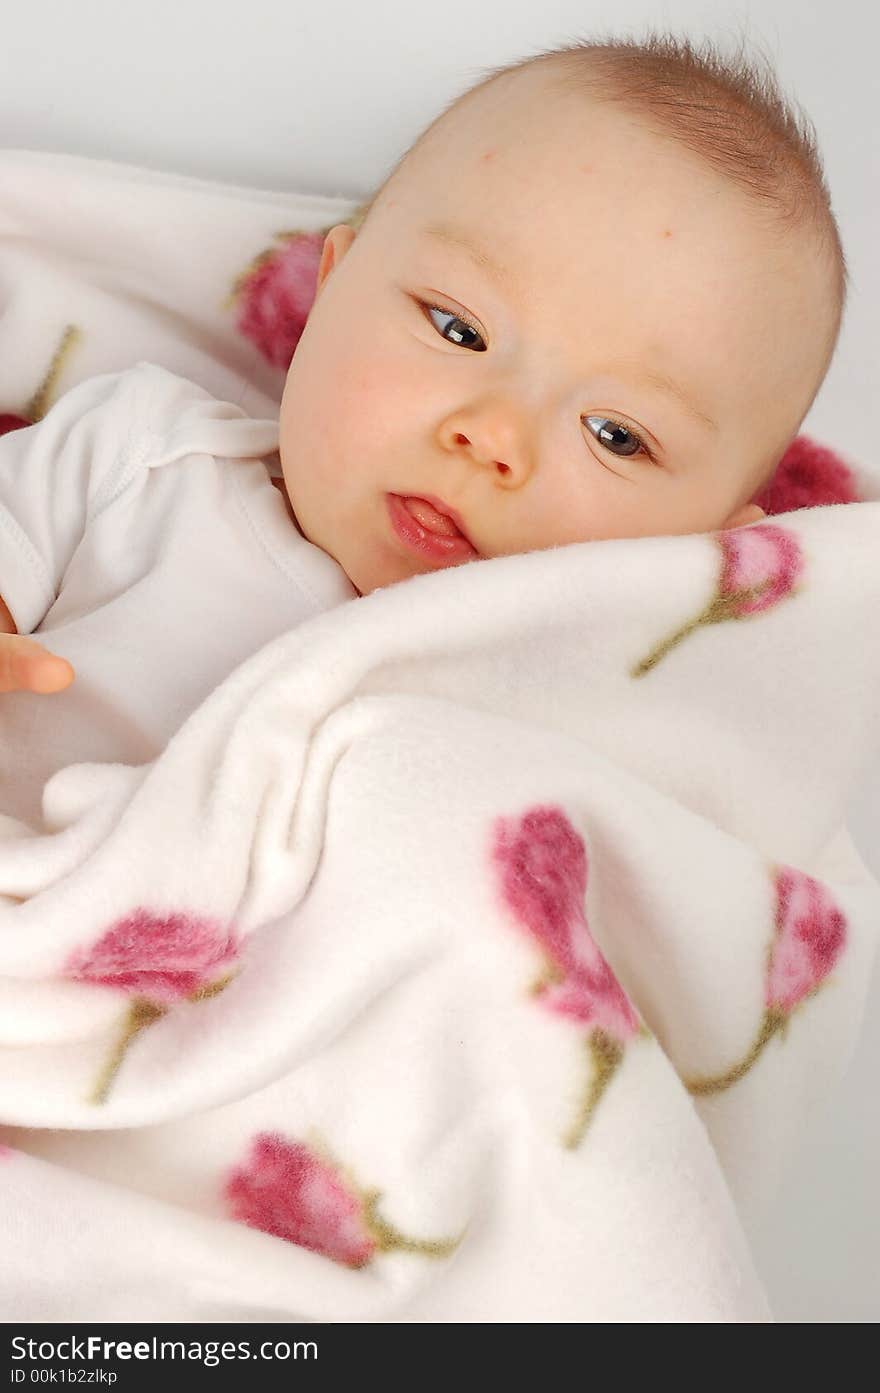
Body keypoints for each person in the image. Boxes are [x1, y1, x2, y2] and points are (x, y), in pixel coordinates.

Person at [0, 31, 846, 828]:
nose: (494, 436)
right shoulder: (142, 453)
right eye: (458, 330)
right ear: (329, 289)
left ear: (715, 562)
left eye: (615, 434)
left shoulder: (603, 721)